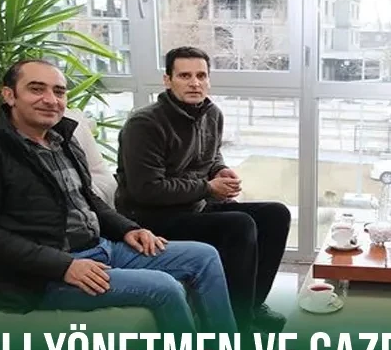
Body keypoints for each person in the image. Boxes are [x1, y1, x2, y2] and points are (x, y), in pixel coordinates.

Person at [0, 60, 237, 334]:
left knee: (204, 256)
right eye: (36, 89)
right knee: (164, 287)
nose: (50, 99)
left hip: (100, 248)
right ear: (9, 95)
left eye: (59, 92)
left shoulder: (62, 140)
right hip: (41, 276)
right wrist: (64, 266)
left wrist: (128, 229)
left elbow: (88, 199)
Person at [114, 46, 291, 333]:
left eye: (201, 75)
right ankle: (240, 324)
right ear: (167, 80)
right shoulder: (144, 124)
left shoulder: (212, 114)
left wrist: (219, 170)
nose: (194, 83)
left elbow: (210, 156)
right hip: (150, 218)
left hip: (193, 206)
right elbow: (146, 189)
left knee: (276, 214)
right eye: (184, 76)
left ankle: (252, 306)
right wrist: (207, 188)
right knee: (239, 225)